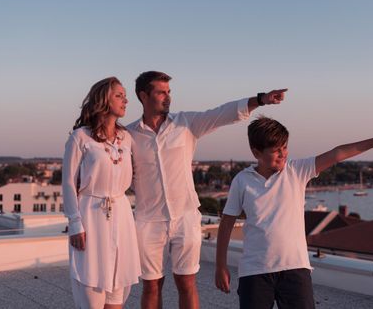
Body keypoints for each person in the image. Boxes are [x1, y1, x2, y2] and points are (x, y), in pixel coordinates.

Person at [126, 71, 287, 309]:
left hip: (185, 217)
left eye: (169, 92)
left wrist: (261, 99)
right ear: (143, 96)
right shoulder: (128, 134)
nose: (168, 97)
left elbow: (223, 113)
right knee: (151, 286)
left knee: (186, 282)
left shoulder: (186, 123)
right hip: (148, 220)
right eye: (161, 92)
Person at [215, 116, 373, 309]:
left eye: (285, 148)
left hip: (295, 268)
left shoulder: (297, 171)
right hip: (254, 271)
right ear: (256, 152)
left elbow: (338, 153)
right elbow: (226, 224)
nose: (283, 154)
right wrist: (220, 266)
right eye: (276, 151)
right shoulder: (242, 180)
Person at [62, 77, 141, 309]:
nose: (126, 100)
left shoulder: (127, 138)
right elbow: (68, 183)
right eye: (119, 95)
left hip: (122, 214)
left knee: (116, 296)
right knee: (91, 291)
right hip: (90, 215)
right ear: (103, 99)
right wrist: (75, 222)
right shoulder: (80, 138)